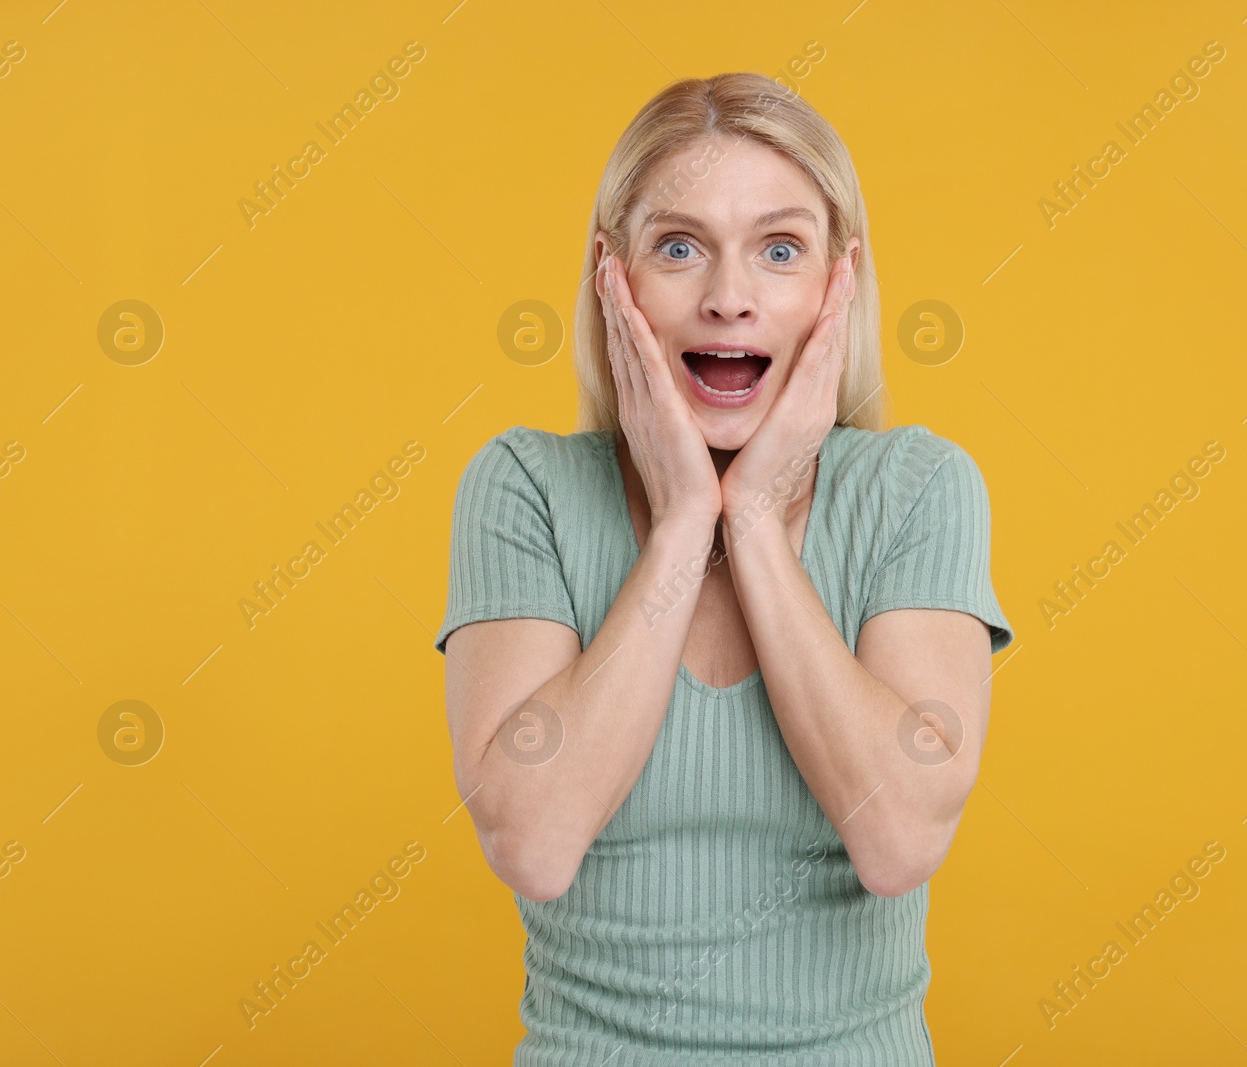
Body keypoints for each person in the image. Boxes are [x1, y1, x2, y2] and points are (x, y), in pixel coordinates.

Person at [435, 71, 1015, 1066]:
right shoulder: (522, 485)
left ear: (841, 282)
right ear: (611, 279)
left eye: (779, 250)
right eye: (677, 247)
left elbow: (902, 839)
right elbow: (530, 842)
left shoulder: (920, 487)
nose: (729, 298)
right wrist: (677, 528)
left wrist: (750, 517)